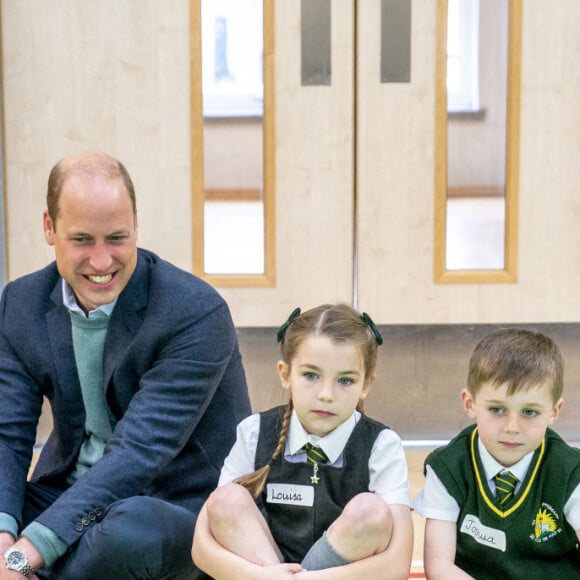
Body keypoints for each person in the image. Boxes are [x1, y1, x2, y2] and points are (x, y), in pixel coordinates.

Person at [0, 151, 251, 579]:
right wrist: (5, 537)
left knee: (131, 535)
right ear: (49, 228)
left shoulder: (195, 312)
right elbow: (7, 434)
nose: (102, 262)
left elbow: (139, 452)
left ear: (136, 224)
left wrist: (27, 552)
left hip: (173, 503)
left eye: (116, 238)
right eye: (82, 240)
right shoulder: (19, 304)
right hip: (69, 493)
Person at [191, 303, 414, 579]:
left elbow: (398, 564)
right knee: (225, 500)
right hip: (266, 572)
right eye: (310, 375)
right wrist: (264, 576)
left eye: (345, 381)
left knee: (370, 511)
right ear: (285, 375)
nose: (326, 394)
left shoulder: (382, 445)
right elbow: (202, 547)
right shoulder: (254, 432)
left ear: (366, 385)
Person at [415, 328, 580, 579]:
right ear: (470, 404)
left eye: (529, 412)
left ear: (554, 412)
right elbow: (439, 565)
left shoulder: (569, 471)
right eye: (497, 409)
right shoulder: (448, 467)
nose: (512, 427)